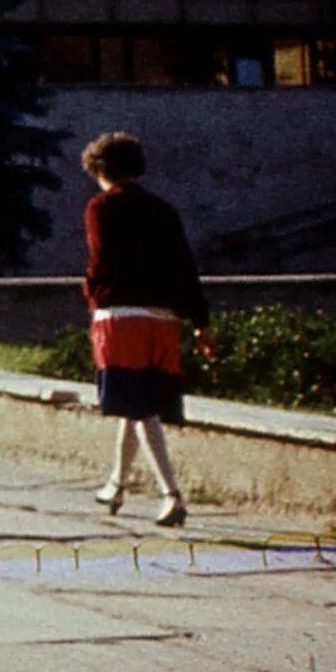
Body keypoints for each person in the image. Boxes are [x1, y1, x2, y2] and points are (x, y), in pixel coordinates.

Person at [79, 131, 213, 529]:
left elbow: (100, 259)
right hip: (163, 319)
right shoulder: (164, 210)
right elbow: (187, 268)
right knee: (136, 402)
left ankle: (171, 494)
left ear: (101, 170)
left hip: (121, 318)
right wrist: (201, 323)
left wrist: (91, 292)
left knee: (140, 408)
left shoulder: (101, 207)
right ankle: (115, 484)